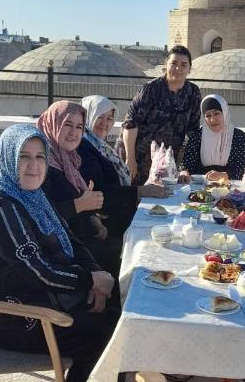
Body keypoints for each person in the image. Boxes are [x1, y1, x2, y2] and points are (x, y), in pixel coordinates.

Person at [0, 123, 143, 382]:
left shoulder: (31, 196)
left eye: (39, 157)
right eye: (23, 158)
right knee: (104, 334)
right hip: (9, 315)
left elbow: (70, 243)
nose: (33, 166)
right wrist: (91, 284)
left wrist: (96, 275)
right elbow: (38, 269)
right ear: (7, 160)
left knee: (111, 316)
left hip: (38, 297)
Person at [36, 100, 121, 276]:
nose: (74, 133)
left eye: (79, 127)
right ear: (53, 123)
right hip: (62, 252)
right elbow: (38, 216)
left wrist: (91, 218)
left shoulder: (68, 158)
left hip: (81, 239)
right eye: (67, 124)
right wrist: (80, 205)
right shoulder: (40, 164)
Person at [79, 95, 170, 234]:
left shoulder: (99, 146)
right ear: (88, 116)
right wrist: (140, 191)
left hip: (119, 212)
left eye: (109, 118)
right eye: (100, 116)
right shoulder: (84, 148)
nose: (105, 123)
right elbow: (100, 192)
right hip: (106, 223)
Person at [118, 45, 201, 184]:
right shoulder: (151, 89)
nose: (178, 68)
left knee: (162, 201)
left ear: (189, 68)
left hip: (165, 161)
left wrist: (186, 166)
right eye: (174, 63)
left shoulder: (193, 93)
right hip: (137, 157)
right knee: (133, 199)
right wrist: (130, 159)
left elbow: (193, 132)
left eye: (183, 65)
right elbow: (131, 123)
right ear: (166, 65)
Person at [178, 94, 245, 182]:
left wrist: (223, 175)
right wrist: (184, 172)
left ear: (225, 112)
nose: (212, 119)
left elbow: (242, 168)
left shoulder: (239, 137)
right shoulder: (197, 136)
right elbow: (186, 164)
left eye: (216, 113)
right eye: (208, 115)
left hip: (231, 186)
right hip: (200, 187)